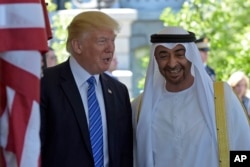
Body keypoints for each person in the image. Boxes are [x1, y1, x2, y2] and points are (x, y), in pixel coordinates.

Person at [131, 26, 250, 167]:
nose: (172, 63)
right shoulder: (140, 107)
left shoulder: (221, 98)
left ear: (191, 56)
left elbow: (243, 150)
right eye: (163, 56)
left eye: (179, 54)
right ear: (155, 59)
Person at [40, 11, 133, 167]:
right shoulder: (45, 84)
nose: (110, 48)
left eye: (113, 41)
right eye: (102, 41)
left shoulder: (118, 91)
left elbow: (124, 153)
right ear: (78, 45)